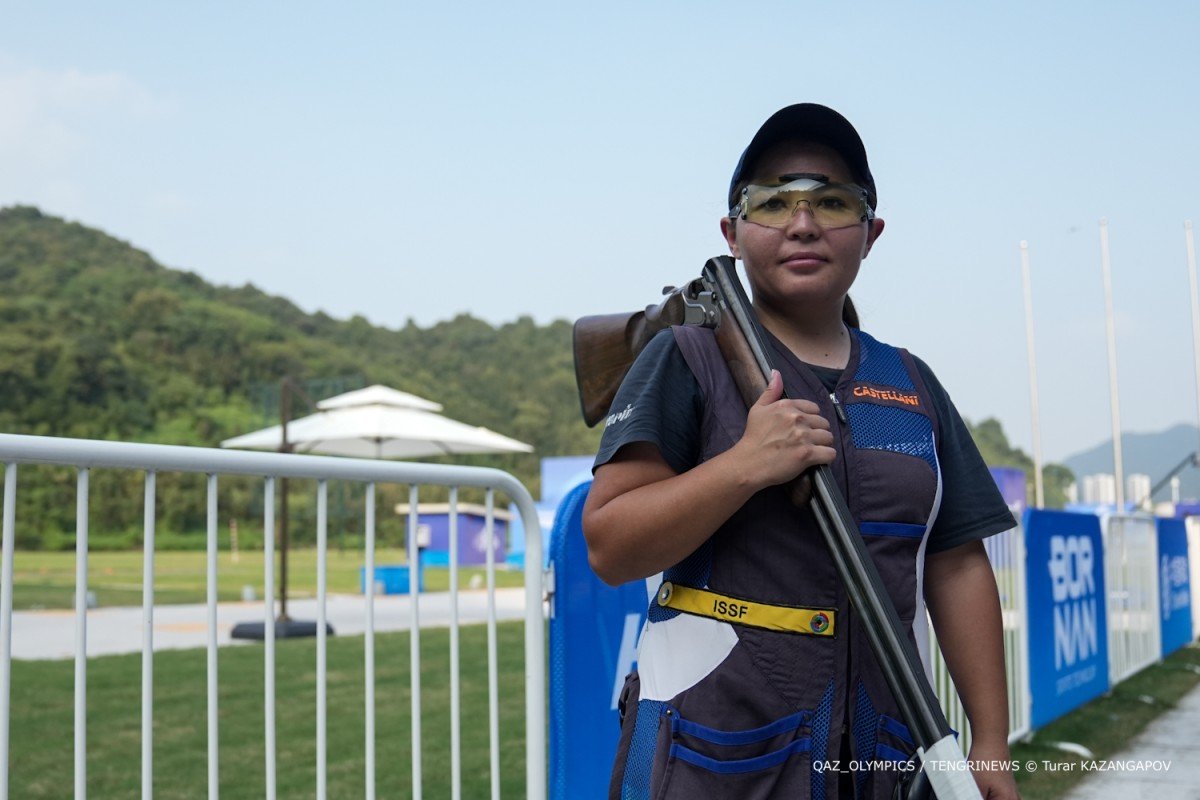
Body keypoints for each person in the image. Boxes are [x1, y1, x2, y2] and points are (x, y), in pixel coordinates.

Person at [582, 104, 1020, 800]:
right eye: (774, 201)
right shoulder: (684, 358)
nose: (803, 222)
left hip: (886, 756)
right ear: (732, 231)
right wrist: (744, 465)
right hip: (713, 757)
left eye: (833, 202)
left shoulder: (911, 380)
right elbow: (609, 545)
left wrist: (990, 744)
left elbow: (956, 562)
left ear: (871, 233)